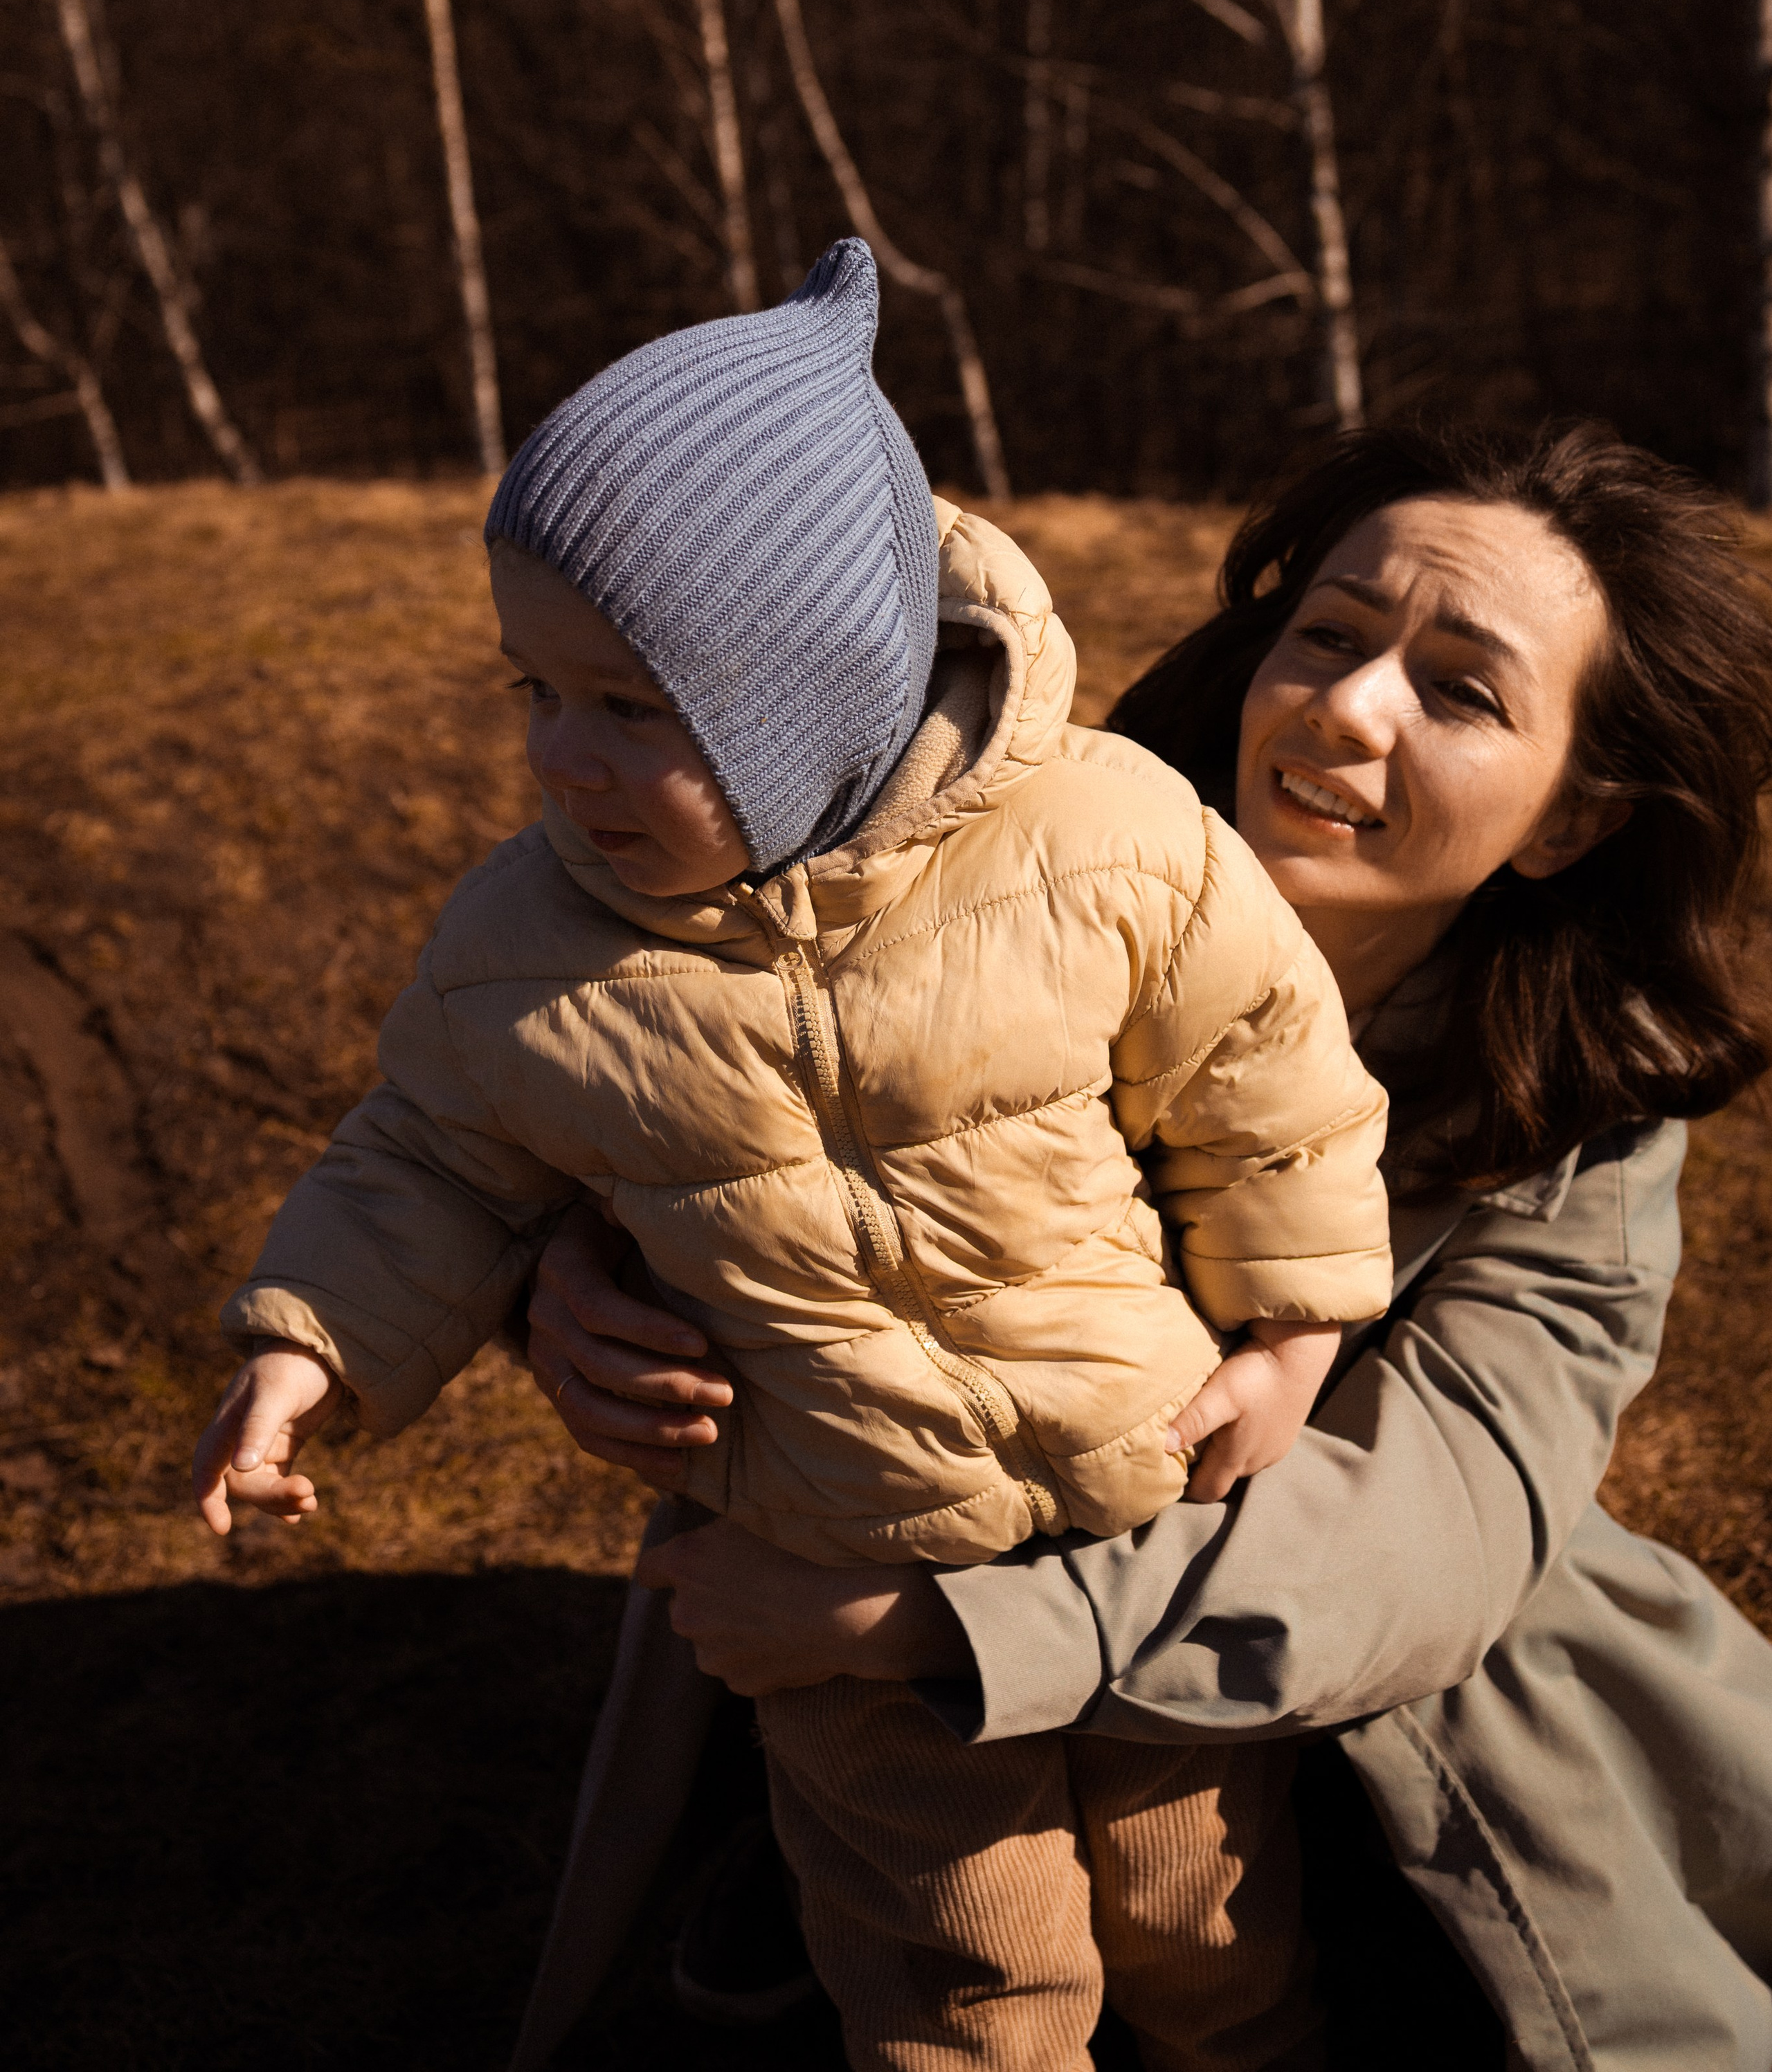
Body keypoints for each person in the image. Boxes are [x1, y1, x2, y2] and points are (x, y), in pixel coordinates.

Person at [189, 239, 1394, 2072]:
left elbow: (1269, 1078)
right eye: (533, 693)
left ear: (816, 692)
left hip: (1142, 1508)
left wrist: (1294, 1336)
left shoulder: (1107, 838)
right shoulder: (526, 946)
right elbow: (424, 1160)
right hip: (825, 1562)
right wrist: (308, 1349)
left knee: (1204, 1936)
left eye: (628, 708)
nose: (561, 762)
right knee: (962, 1979)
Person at [512, 418, 1772, 2072]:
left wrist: (928, 1631)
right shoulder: (993, 870)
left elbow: (1430, 1536)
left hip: (1341, 1672)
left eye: (1458, 691)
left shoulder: (1580, 1120)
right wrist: (567, 1274)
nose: (1344, 706)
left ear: (1570, 821)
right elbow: (697, 1067)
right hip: (892, 1557)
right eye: (1326, 633)